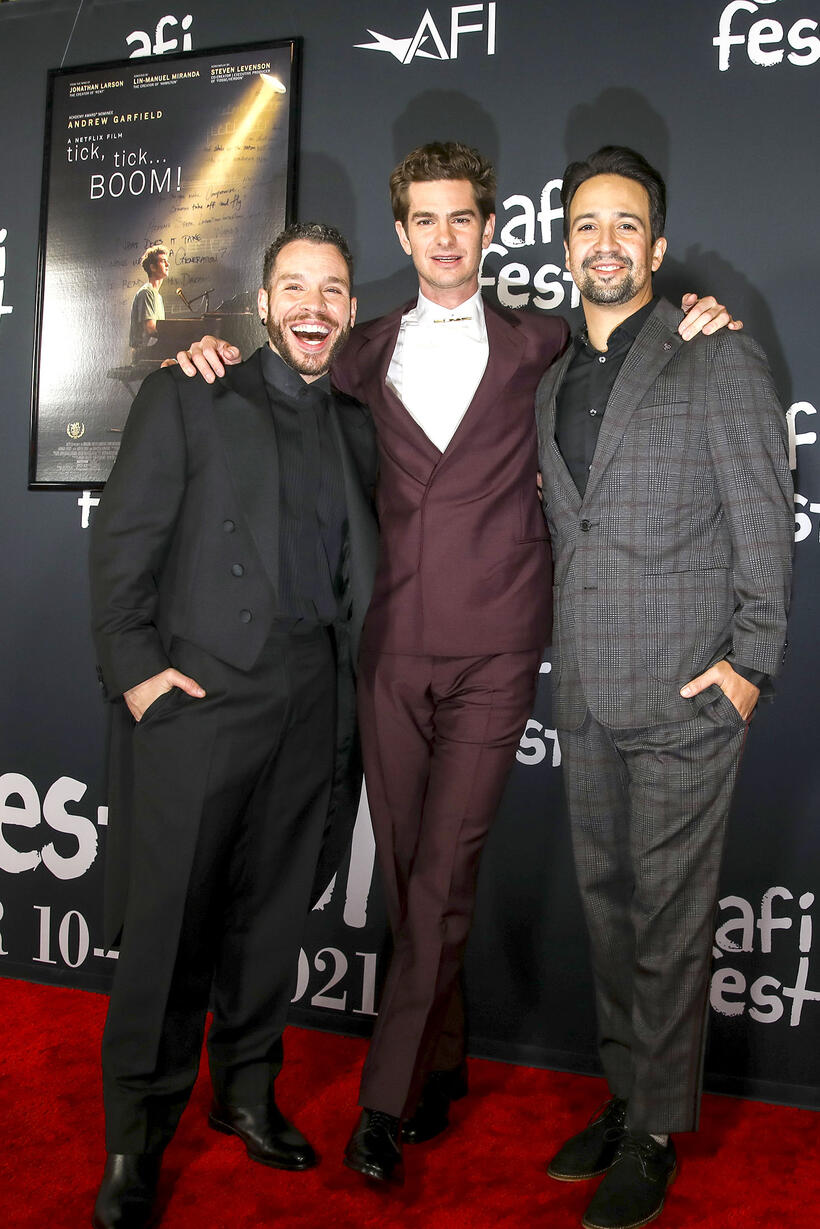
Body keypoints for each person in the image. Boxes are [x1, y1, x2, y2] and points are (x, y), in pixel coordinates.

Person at [177, 141, 737, 1186]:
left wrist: (700, 316)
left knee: (441, 872)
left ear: (490, 228)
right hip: (386, 647)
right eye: (424, 221)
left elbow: (636, 347)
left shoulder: (543, 342)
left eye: (460, 219)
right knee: (406, 879)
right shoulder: (358, 348)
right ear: (402, 234)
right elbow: (280, 381)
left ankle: (380, 1103)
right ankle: (438, 1070)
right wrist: (202, 354)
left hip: (496, 645)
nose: (443, 237)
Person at [89, 222, 378, 1228]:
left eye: (332, 290)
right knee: (169, 931)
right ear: (263, 304)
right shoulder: (191, 390)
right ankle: (135, 1138)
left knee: (270, 919)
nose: (313, 307)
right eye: (294, 287)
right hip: (201, 702)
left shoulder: (356, 421)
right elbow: (123, 545)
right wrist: (138, 678)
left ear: (348, 308)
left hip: (312, 701)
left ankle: (246, 1090)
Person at [535, 147, 793, 1229]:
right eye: (586, 224)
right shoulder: (551, 378)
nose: (605, 241)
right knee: (607, 910)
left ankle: (654, 1130)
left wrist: (750, 664)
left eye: (624, 224)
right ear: (564, 244)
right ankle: (622, 1090)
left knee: (671, 920)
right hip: (587, 694)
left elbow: (763, 519)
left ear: (653, 238)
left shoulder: (714, 357)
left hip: (691, 695)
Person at [129, 244, 169, 356]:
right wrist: (173, 335)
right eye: (163, 261)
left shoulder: (157, 296)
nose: (167, 264)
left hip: (152, 351)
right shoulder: (146, 292)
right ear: (152, 267)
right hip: (144, 354)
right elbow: (150, 328)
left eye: (167, 261)